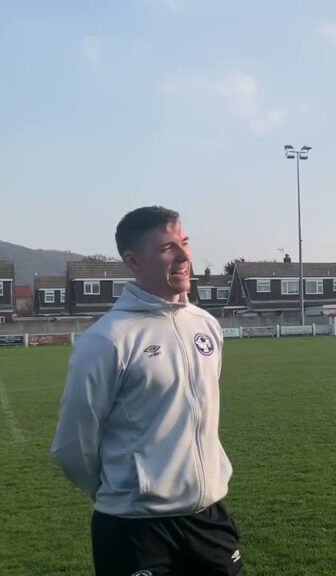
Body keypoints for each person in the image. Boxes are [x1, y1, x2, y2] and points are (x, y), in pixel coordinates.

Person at [51, 206, 242, 576]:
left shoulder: (206, 325)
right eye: (168, 248)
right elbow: (72, 445)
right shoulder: (107, 340)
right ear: (133, 261)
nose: (185, 256)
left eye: (184, 243)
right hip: (135, 531)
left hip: (209, 520)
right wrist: (127, 492)